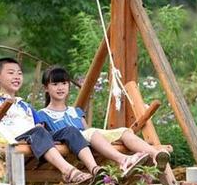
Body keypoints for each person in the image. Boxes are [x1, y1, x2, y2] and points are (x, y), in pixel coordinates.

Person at [0, 57, 105, 185]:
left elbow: (40, 126)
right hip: (15, 140)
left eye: (19, 73)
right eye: (11, 73)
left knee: (70, 130)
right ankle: (69, 171)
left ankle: (95, 169)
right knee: (38, 132)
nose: (16, 76)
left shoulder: (26, 106)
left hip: (35, 138)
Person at [37, 65, 174, 177]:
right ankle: (124, 160)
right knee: (90, 133)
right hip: (69, 144)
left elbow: (87, 131)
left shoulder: (76, 111)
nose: (60, 87)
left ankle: (156, 154)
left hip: (87, 141)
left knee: (124, 131)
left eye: (64, 83)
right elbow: (44, 139)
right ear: (46, 88)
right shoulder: (42, 114)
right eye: (55, 84)